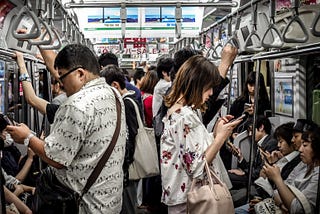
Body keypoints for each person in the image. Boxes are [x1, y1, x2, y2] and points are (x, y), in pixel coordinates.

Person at [6, 44, 127, 213]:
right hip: (108, 199)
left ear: (80, 74)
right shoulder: (113, 95)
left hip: (83, 204)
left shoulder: (75, 106)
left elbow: (56, 159)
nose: (60, 84)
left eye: (62, 77)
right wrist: (39, 43)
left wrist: (28, 138)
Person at [160, 55, 242, 213]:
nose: (211, 92)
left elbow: (192, 149)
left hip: (186, 198)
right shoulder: (183, 116)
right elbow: (197, 167)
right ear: (196, 84)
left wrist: (214, 134)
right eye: (209, 87)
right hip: (190, 201)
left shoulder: (185, 111)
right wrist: (220, 138)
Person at [100, 64, 140, 214]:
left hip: (127, 169)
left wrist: (122, 164)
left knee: (128, 206)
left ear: (115, 85)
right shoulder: (130, 98)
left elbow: (130, 136)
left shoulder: (126, 103)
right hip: (126, 167)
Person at [228, 116, 278, 190]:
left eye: (251, 130)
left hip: (257, 181)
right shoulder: (261, 143)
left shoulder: (270, 144)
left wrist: (244, 173)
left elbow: (261, 170)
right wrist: (240, 157)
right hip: (253, 176)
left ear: (261, 127)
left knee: (228, 177)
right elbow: (254, 167)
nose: (250, 134)